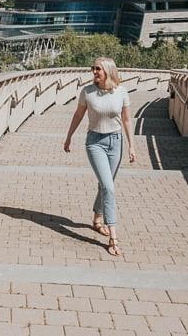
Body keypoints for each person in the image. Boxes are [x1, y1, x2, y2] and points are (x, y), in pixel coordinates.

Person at [63, 56, 135, 256]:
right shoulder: (87, 92)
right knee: (109, 187)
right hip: (95, 142)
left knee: (105, 184)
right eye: (93, 68)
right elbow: (77, 115)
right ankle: (113, 236)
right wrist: (68, 137)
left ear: (108, 71)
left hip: (116, 142)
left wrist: (131, 146)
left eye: (98, 69)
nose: (94, 72)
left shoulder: (121, 92)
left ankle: (97, 219)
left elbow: (127, 120)